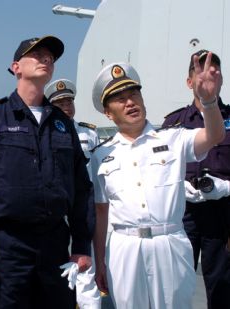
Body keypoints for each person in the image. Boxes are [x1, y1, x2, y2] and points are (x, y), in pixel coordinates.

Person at [0, 36, 93, 308]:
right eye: (37, 54)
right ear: (16, 67)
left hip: (55, 244)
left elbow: (81, 187)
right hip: (8, 248)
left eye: (50, 57)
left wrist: (81, 244)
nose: (46, 59)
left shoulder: (62, 124)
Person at [90, 58, 225, 309]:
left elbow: (214, 135)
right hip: (124, 248)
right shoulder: (100, 156)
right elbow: (101, 212)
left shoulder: (174, 138)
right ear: (108, 112)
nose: (130, 102)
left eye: (134, 95)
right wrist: (100, 261)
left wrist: (209, 101)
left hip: (169, 243)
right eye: (121, 99)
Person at [162, 49, 230, 309]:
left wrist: (226, 187)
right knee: (175, 281)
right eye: (200, 70)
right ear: (189, 82)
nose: (208, 74)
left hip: (223, 213)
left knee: (223, 284)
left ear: (221, 79)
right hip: (183, 214)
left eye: (214, 70)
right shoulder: (173, 122)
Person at [45, 78, 101, 309]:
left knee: (85, 260)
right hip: (56, 207)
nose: (67, 106)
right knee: (54, 263)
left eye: (69, 101)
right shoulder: (44, 132)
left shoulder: (89, 134)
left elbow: (97, 173)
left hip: (82, 205)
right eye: (60, 103)